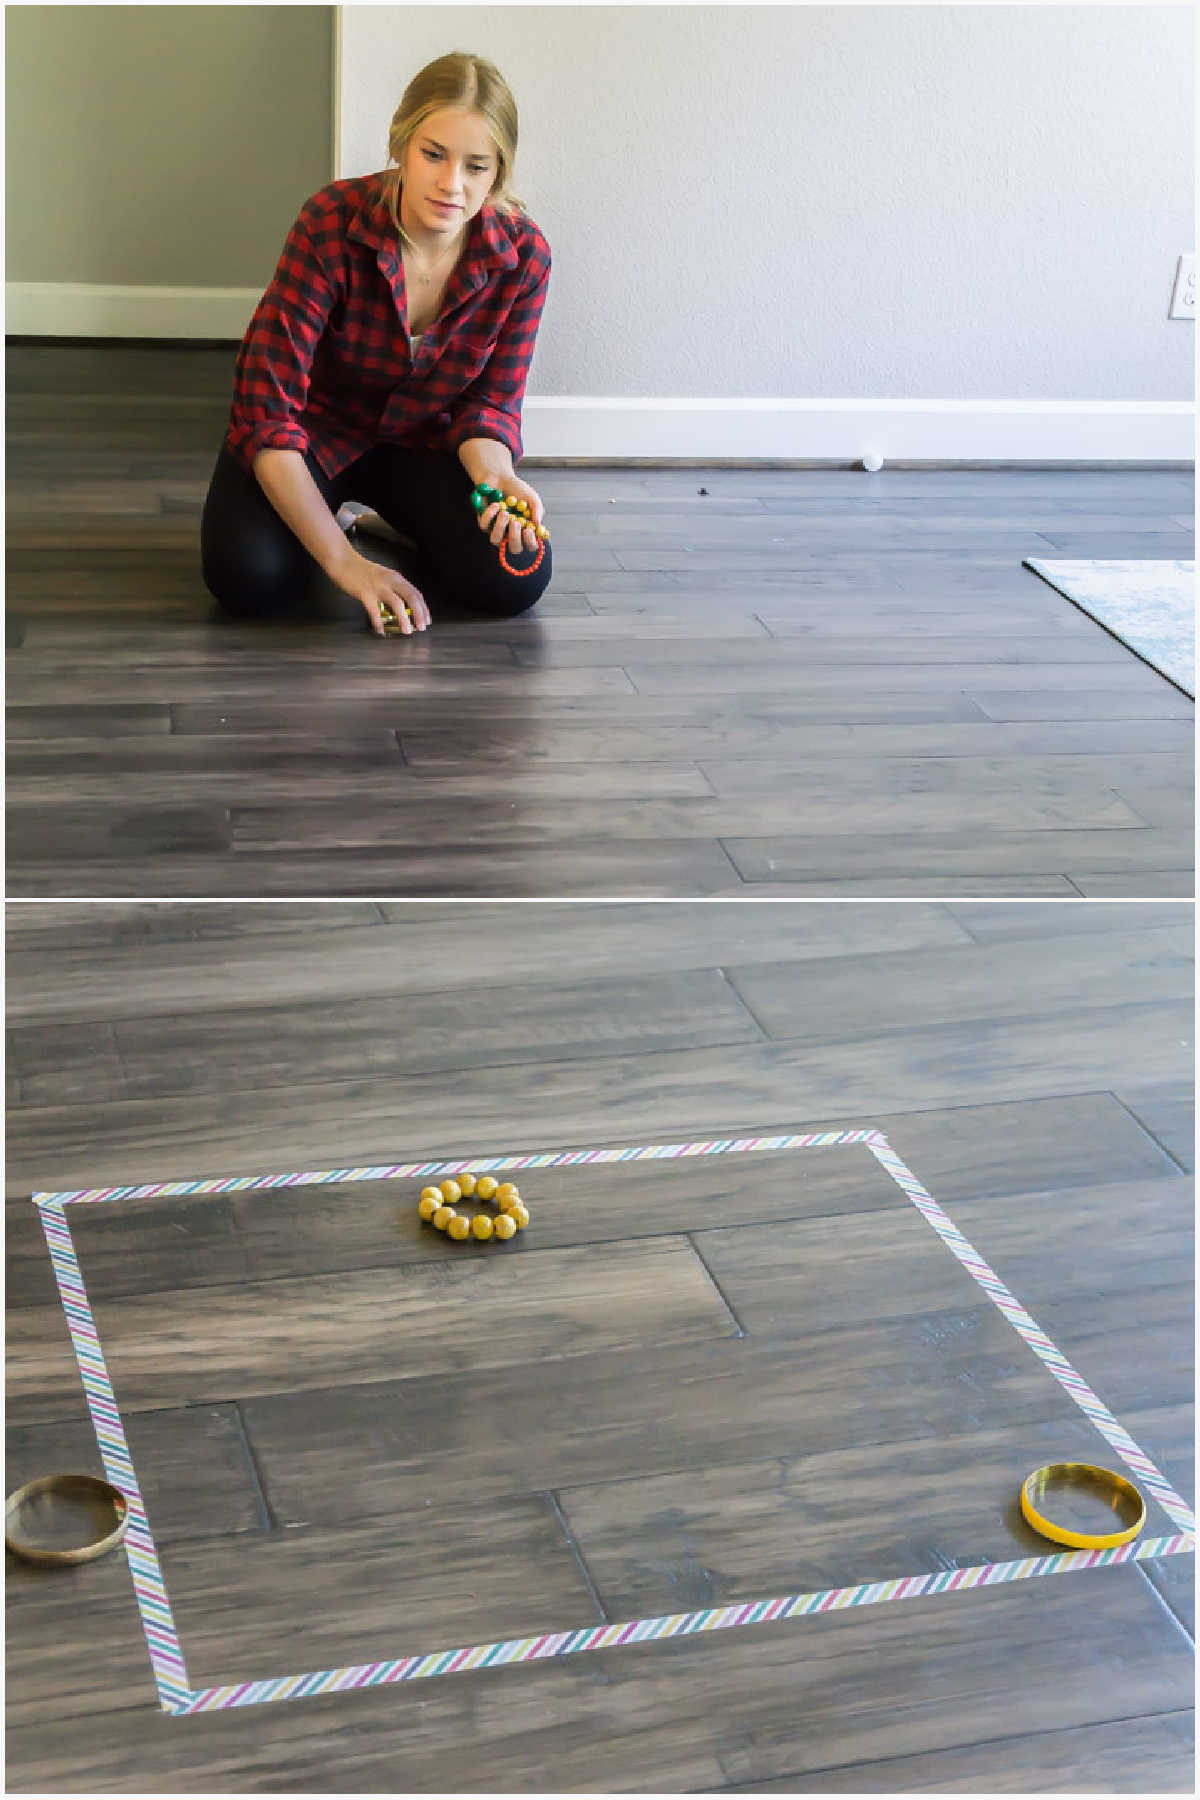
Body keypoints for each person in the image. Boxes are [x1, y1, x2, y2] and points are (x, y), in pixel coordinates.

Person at [200, 50, 552, 636]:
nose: (451, 184)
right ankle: (337, 526)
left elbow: (488, 408)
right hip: (315, 434)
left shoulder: (523, 257)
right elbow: (267, 412)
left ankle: (386, 525)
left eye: (476, 167)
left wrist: (497, 479)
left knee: (513, 575)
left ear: (499, 173)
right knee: (247, 577)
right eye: (433, 155)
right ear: (401, 144)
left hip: (424, 444)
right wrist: (345, 566)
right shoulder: (329, 223)